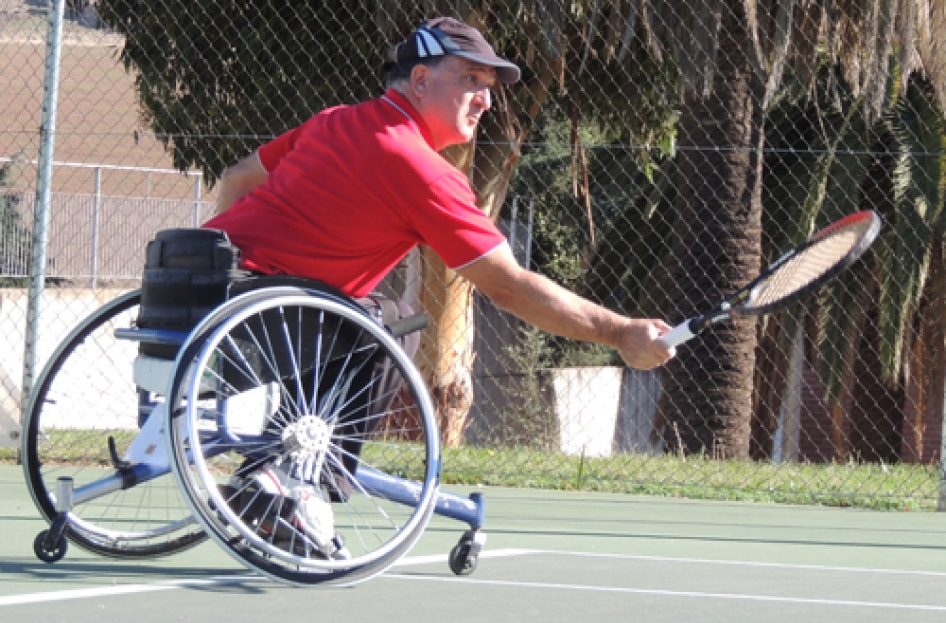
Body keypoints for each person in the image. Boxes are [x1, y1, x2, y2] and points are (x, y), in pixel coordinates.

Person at [205, 16, 675, 558]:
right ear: (422, 80)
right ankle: (295, 477)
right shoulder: (420, 168)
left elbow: (238, 177)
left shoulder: (335, 121)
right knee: (391, 324)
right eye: (471, 79)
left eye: (489, 87)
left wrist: (235, 265)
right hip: (266, 324)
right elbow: (510, 288)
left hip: (203, 298)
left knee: (364, 312)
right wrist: (619, 332)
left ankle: (277, 470)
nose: (486, 99)